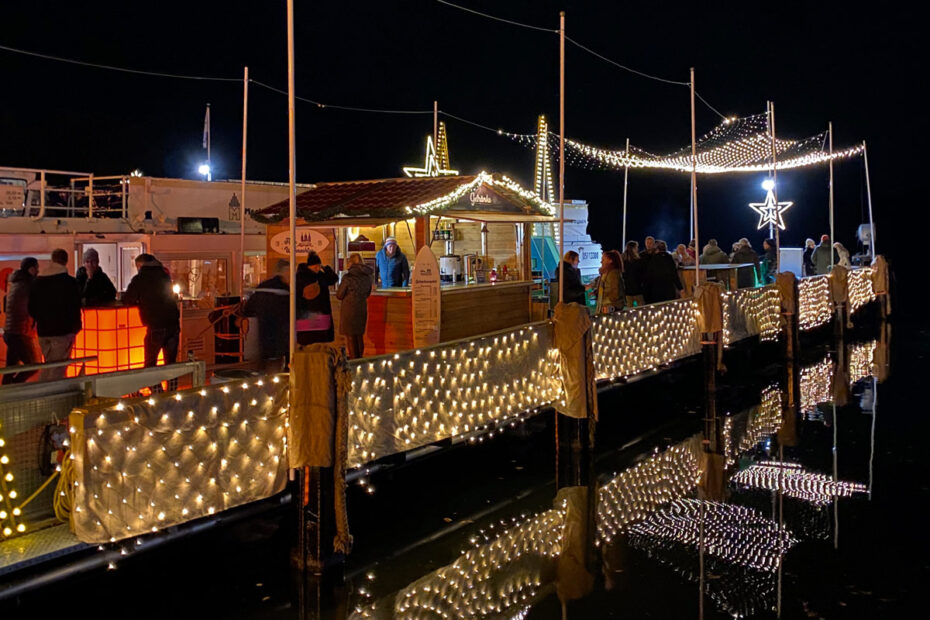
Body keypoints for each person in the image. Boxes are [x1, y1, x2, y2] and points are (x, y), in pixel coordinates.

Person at [27, 248, 82, 380]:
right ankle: (51, 396)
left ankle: (44, 394)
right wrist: (76, 327)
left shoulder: (37, 282)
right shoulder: (70, 283)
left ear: (52, 260)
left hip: (43, 331)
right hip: (63, 332)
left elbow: (31, 308)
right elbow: (75, 306)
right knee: (58, 369)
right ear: (66, 261)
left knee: (49, 365)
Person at [122, 253, 180, 368]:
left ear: (141, 265)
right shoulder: (165, 276)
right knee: (171, 365)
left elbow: (127, 299)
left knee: (150, 365)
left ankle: (155, 386)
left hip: (156, 325)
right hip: (173, 325)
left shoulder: (140, 279)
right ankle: (172, 386)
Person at [242, 259, 290, 371]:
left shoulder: (262, 287)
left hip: (263, 334)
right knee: (279, 367)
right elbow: (292, 312)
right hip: (281, 336)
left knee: (263, 365)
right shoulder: (285, 290)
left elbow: (249, 308)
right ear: (283, 271)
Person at [2, 257, 41, 384]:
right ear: (31, 269)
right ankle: (15, 387)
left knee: (11, 367)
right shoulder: (29, 285)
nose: (38, 271)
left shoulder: (15, 284)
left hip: (10, 331)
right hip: (20, 331)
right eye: (37, 268)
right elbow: (35, 307)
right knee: (33, 365)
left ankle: (7, 393)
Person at [335, 253, 374, 358]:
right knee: (359, 336)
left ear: (351, 263)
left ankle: (354, 361)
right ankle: (359, 360)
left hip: (349, 310)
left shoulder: (348, 278)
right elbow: (368, 293)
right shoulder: (367, 277)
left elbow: (339, 295)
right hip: (361, 308)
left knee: (351, 337)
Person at [296, 251, 338, 345]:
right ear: (309, 265)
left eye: (319, 266)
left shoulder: (320, 275)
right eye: (315, 266)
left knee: (321, 342)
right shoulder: (301, 277)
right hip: (307, 314)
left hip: (321, 314)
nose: (317, 268)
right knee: (309, 342)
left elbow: (334, 279)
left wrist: (326, 268)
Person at [591, 250, 623, 314]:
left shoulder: (613, 273)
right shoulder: (606, 273)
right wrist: (597, 292)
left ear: (610, 261)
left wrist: (607, 303)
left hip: (610, 307)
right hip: (605, 305)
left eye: (603, 259)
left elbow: (615, 293)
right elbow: (604, 287)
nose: (601, 261)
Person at [621, 241, 645, 307]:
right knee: (641, 309)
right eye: (636, 247)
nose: (637, 249)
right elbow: (641, 275)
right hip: (637, 289)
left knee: (629, 310)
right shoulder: (638, 261)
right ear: (633, 248)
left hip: (627, 290)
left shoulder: (623, 261)